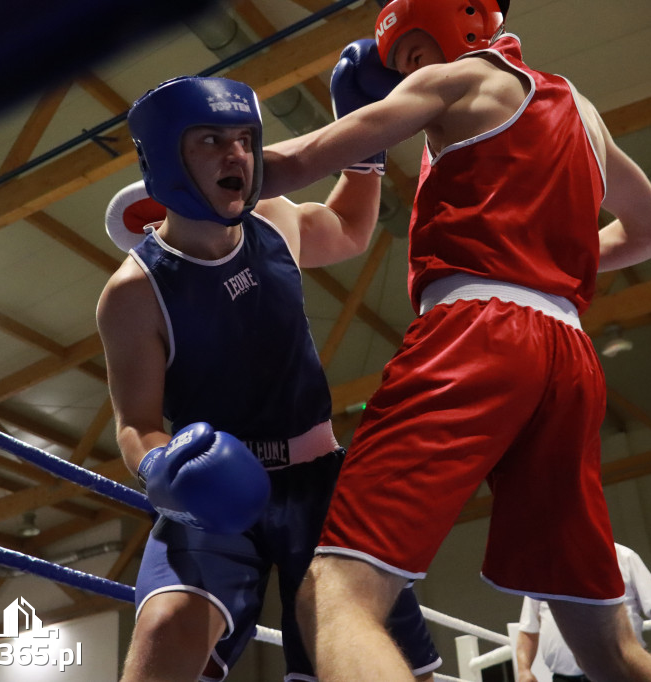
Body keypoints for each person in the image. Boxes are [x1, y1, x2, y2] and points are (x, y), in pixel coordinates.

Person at [260, 1, 651, 680]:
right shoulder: (583, 110)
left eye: (416, 54)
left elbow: (293, 163)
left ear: (459, 26)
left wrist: (184, 165)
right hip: (567, 355)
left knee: (334, 593)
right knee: (610, 650)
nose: (407, 71)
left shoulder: (453, 82)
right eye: (401, 63)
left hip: (475, 334)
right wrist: (543, 254)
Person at [96, 71, 441, 682]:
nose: (235, 155)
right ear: (166, 156)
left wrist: (368, 159)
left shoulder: (275, 217)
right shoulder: (133, 292)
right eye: (210, 141)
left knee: (368, 651)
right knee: (166, 629)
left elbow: (352, 231)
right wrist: (159, 467)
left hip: (320, 479)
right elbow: (137, 423)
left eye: (244, 140)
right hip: (214, 490)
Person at [517, 544, 651, 682]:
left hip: (621, 672)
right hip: (565, 678)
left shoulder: (624, 557)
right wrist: (524, 669)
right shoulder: (546, 568)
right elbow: (528, 628)